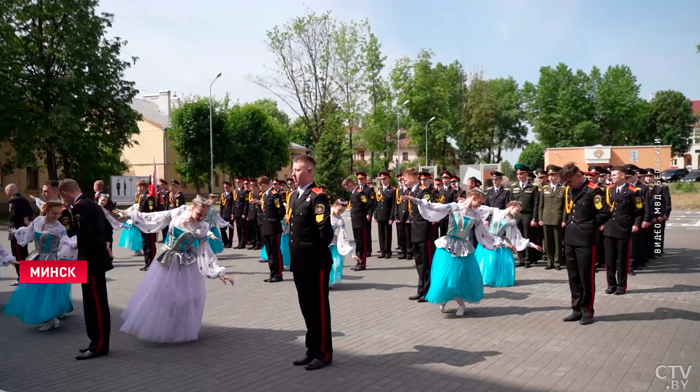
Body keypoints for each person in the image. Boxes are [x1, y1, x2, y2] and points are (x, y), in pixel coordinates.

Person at [115, 196, 234, 343]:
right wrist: (130, 214)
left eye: (204, 215)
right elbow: (155, 216)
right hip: (167, 259)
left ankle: (181, 327)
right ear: (192, 207)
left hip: (188, 262)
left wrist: (220, 273)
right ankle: (161, 326)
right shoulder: (179, 212)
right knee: (162, 293)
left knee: (189, 296)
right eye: (199, 214)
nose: (201, 217)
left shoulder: (202, 227)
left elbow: (206, 251)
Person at [403, 189, 517, 316]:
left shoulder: (476, 214)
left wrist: (502, 243)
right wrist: (418, 201)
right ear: (473, 197)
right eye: (479, 202)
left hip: (463, 248)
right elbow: (436, 207)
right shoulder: (454, 206)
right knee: (446, 275)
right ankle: (444, 298)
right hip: (448, 246)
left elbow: (485, 233)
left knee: (459, 277)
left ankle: (461, 305)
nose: (480, 205)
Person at [287, 154, 334, 371]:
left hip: (315, 263)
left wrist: (310, 251)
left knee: (318, 309)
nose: (293, 173)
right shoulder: (293, 196)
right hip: (299, 262)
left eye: (297, 170)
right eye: (293, 169)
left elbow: (325, 233)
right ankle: (311, 349)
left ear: (309, 171)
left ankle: (323, 353)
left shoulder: (318, 197)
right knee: (306, 307)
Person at [58, 179, 112, 360]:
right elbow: (107, 228)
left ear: (65, 194)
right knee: (94, 303)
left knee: (95, 305)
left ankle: (99, 345)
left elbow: (87, 235)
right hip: (94, 261)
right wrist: (106, 247)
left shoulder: (81, 207)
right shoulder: (93, 204)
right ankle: (95, 342)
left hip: (90, 262)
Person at [4, 200, 77, 331]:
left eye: (59, 213)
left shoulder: (58, 227)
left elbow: (66, 241)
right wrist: (16, 232)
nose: (57, 216)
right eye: (54, 213)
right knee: (35, 289)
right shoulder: (38, 220)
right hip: (37, 257)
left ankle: (50, 318)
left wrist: (76, 245)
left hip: (51, 260)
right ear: (46, 210)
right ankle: (51, 315)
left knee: (47, 290)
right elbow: (28, 232)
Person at [559, 164, 611, 325]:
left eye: (569, 181)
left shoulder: (592, 190)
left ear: (578, 175)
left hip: (586, 240)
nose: (568, 185)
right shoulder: (571, 189)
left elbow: (604, 211)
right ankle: (576, 309)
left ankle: (587, 311)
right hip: (570, 238)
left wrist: (590, 225)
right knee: (573, 276)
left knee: (586, 276)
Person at [475, 201, 543, 287]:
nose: (518, 213)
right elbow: (480, 209)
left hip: (499, 241)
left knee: (496, 261)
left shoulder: (512, 221)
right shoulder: (497, 211)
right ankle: (483, 279)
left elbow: (518, 237)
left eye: (519, 211)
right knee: (487, 261)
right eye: (517, 210)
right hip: (488, 239)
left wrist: (532, 244)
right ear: (511, 207)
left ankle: (494, 279)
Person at [603, 167, 644, 296]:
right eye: (611, 175)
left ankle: (621, 285)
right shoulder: (609, 190)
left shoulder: (633, 191)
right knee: (609, 259)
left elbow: (639, 211)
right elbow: (604, 209)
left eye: (614, 174)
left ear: (622, 176)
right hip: (609, 229)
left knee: (622, 260)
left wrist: (636, 224)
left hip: (623, 229)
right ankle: (611, 284)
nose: (611, 177)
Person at [403, 169, 434, 303]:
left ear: (413, 178)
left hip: (424, 231)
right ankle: (421, 290)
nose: (404, 182)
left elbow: (428, 206)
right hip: (415, 230)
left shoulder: (424, 191)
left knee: (427, 263)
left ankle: (428, 292)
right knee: (419, 263)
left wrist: (415, 200)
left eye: (405, 179)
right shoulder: (413, 191)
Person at [509, 164, 540, 268]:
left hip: (528, 215)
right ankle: (521, 258)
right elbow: (510, 203)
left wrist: (534, 218)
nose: (519, 175)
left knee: (527, 237)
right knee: (517, 236)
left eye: (521, 173)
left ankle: (528, 259)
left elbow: (536, 203)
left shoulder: (533, 187)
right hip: (517, 216)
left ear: (527, 174)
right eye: (518, 174)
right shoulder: (513, 187)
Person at [538, 165, 566, 270]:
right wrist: (540, 218)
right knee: (548, 242)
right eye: (549, 175)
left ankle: (557, 262)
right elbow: (541, 205)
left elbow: (564, 207)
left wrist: (564, 220)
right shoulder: (544, 189)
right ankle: (550, 261)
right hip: (546, 218)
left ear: (557, 176)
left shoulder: (563, 189)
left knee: (558, 242)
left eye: (553, 175)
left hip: (557, 219)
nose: (551, 177)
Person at [625, 165, 652, 274]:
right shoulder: (621, 187)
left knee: (635, 243)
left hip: (637, 218)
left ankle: (633, 264)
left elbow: (647, 206)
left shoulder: (643, 188)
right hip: (623, 219)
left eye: (629, 176)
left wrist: (646, 219)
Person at [259, 176, 286, 283]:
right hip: (266, 227)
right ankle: (272, 273)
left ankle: (278, 274)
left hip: (274, 227)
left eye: (261, 186)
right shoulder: (265, 195)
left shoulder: (274, 195)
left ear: (263, 185)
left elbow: (281, 210)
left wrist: (275, 220)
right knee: (269, 251)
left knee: (275, 251)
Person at [6, 183, 33, 286]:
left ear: (9, 191)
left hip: (16, 233)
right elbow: (30, 213)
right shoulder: (25, 200)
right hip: (24, 232)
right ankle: (27, 276)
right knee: (24, 254)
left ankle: (21, 278)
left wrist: (13, 231)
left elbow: (13, 217)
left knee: (18, 255)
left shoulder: (13, 201)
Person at [344, 176, 371, 271]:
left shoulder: (359, 192)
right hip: (355, 221)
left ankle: (362, 263)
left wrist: (365, 213)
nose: (346, 189)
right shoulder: (353, 193)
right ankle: (358, 261)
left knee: (361, 243)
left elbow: (367, 203)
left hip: (360, 221)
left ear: (350, 184)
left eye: (346, 187)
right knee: (357, 243)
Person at [585, 166, 609, 270]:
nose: (589, 179)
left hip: (597, 219)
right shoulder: (584, 188)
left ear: (597, 177)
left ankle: (597, 261)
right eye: (588, 177)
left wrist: (602, 221)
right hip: (586, 220)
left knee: (597, 242)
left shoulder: (603, 189)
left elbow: (602, 207)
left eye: (592, 177)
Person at [329, 199, 357, 287]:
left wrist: (352, 253)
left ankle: (329, 282)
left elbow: (344, 236)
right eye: (339, 210)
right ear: (334, 205)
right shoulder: (325, 214)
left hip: (332, 241)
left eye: (342, 211)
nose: (340, 213)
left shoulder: (340, 220)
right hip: (319, 242)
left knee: (336, 264)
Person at [644, 169, 671, 257]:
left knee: (658, 233)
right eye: (647, 176)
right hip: (647, 214)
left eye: (650, 176)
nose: (648, 178)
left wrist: (665, 214)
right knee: (647, 235)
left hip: (659, 214)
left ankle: (657, 250)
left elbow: (666, 202)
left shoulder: (662, 187)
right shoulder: (642, 187)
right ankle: (648, 252)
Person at [134, 180, 157, 271]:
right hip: (142, 224)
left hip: (148, 225)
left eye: (138, 186)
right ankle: (147, 262)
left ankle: (152, 263)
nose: (137, 188)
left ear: (143, 187)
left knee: (150, 244)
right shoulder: (141, 197)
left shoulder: (149, 197)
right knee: (145, 244)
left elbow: (152, 211)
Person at [373, 172, 395, 259]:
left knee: (387, 234)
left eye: (384, 179)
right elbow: (376, 204)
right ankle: (382, 251)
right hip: (380, 214)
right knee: (381, 234)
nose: (383, 181)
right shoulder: (378, 190)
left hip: (387, 215)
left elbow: (393, 205)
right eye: (381, 179)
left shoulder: (392, 190)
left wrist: (391, 217)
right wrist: (375, 215)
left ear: (388, 179)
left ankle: (388, 251)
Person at [394, 174, 412, 260]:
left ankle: (409, 252)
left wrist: (410, 217)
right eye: (402, 181)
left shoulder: (411, 191)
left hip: (407, 217)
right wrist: (396, 216)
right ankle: (403, 252)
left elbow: (411, 206)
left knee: (408, 236)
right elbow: (396, 205)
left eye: (405, 181)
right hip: (400, 216)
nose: (404, 182)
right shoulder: (399, 191)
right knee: (402, 236)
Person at [437, 171, 458, 237]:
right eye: (443, 178)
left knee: (449, 234)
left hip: (449, 216)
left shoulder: (453, 190)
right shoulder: (440, 190)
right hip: (441, 216)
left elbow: (454, 203)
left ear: (449, 179)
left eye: (446, 178)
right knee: (442, 234)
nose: (444, 180)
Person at [233, 177, 250, 249]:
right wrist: (232, 213)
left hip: (242, 212)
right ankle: (239, 242)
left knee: (243, 229)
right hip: (236, 212)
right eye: (236, 182)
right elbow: (234, 203)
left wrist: (244, 213)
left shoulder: (245, 191)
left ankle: (243, 243)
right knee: (238, 228)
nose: (237, 183)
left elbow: (246, 204)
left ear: (242, 182)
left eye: (238, 182)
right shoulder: (235, 191)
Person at [246, 182, 262, 250]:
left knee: (257, 230)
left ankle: (258, 243)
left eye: (252, 189)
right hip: (252, 214)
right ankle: (254, 242)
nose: (251, 191)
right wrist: (249, 215)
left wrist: (257, 201)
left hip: (258, 214)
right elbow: (250, 205)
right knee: (252, 230)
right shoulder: (252, 194)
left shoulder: (260, 194)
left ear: (256, 188)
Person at [220, 181, 235, 248]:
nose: (225, 188)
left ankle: (230, 242)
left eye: (227, 187)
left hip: (230, 213)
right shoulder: (223, 195)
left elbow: (233, 205)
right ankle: (225, 241)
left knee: (230, 229)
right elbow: (221, 205)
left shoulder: (233, 194)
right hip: (224, 213)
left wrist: (232, 213)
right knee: (222, 228)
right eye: (224, 187)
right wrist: (220, 214)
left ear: (230, 187)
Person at [158, 179, 170, 243]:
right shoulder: (160, 192)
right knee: (162, 225)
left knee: (166, 225)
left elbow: (167, 202)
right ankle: (163, 238)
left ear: (164, 185)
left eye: (161, 185)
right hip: (160, 209)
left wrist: (166, 210)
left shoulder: (167, 192)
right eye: (160, 185)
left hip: (164, 209)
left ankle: (166, 238)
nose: (160, 186)